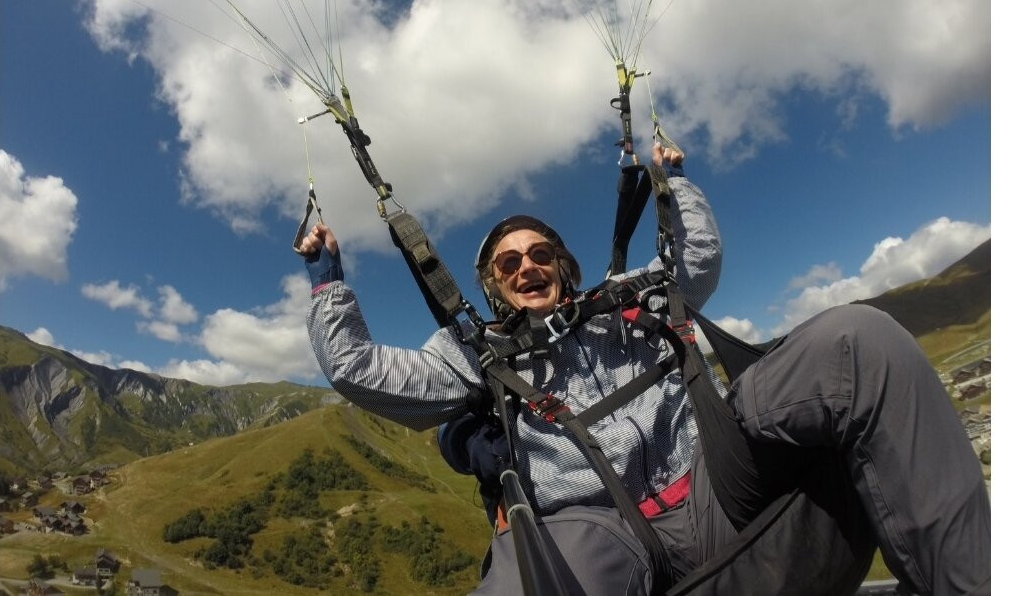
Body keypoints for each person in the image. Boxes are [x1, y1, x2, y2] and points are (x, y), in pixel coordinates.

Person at [299, 142, 990, 596]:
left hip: (717, 485)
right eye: (509, 263)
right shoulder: (475, 353)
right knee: (527, 578)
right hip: (601, 528)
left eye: (541, 253)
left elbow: (697, 262)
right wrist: (328, 282)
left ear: (564, 266)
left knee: (856, 340)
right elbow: (362, 370)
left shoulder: (626, 297)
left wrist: (675, 181)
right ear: (492, 286)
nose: (528, 266)